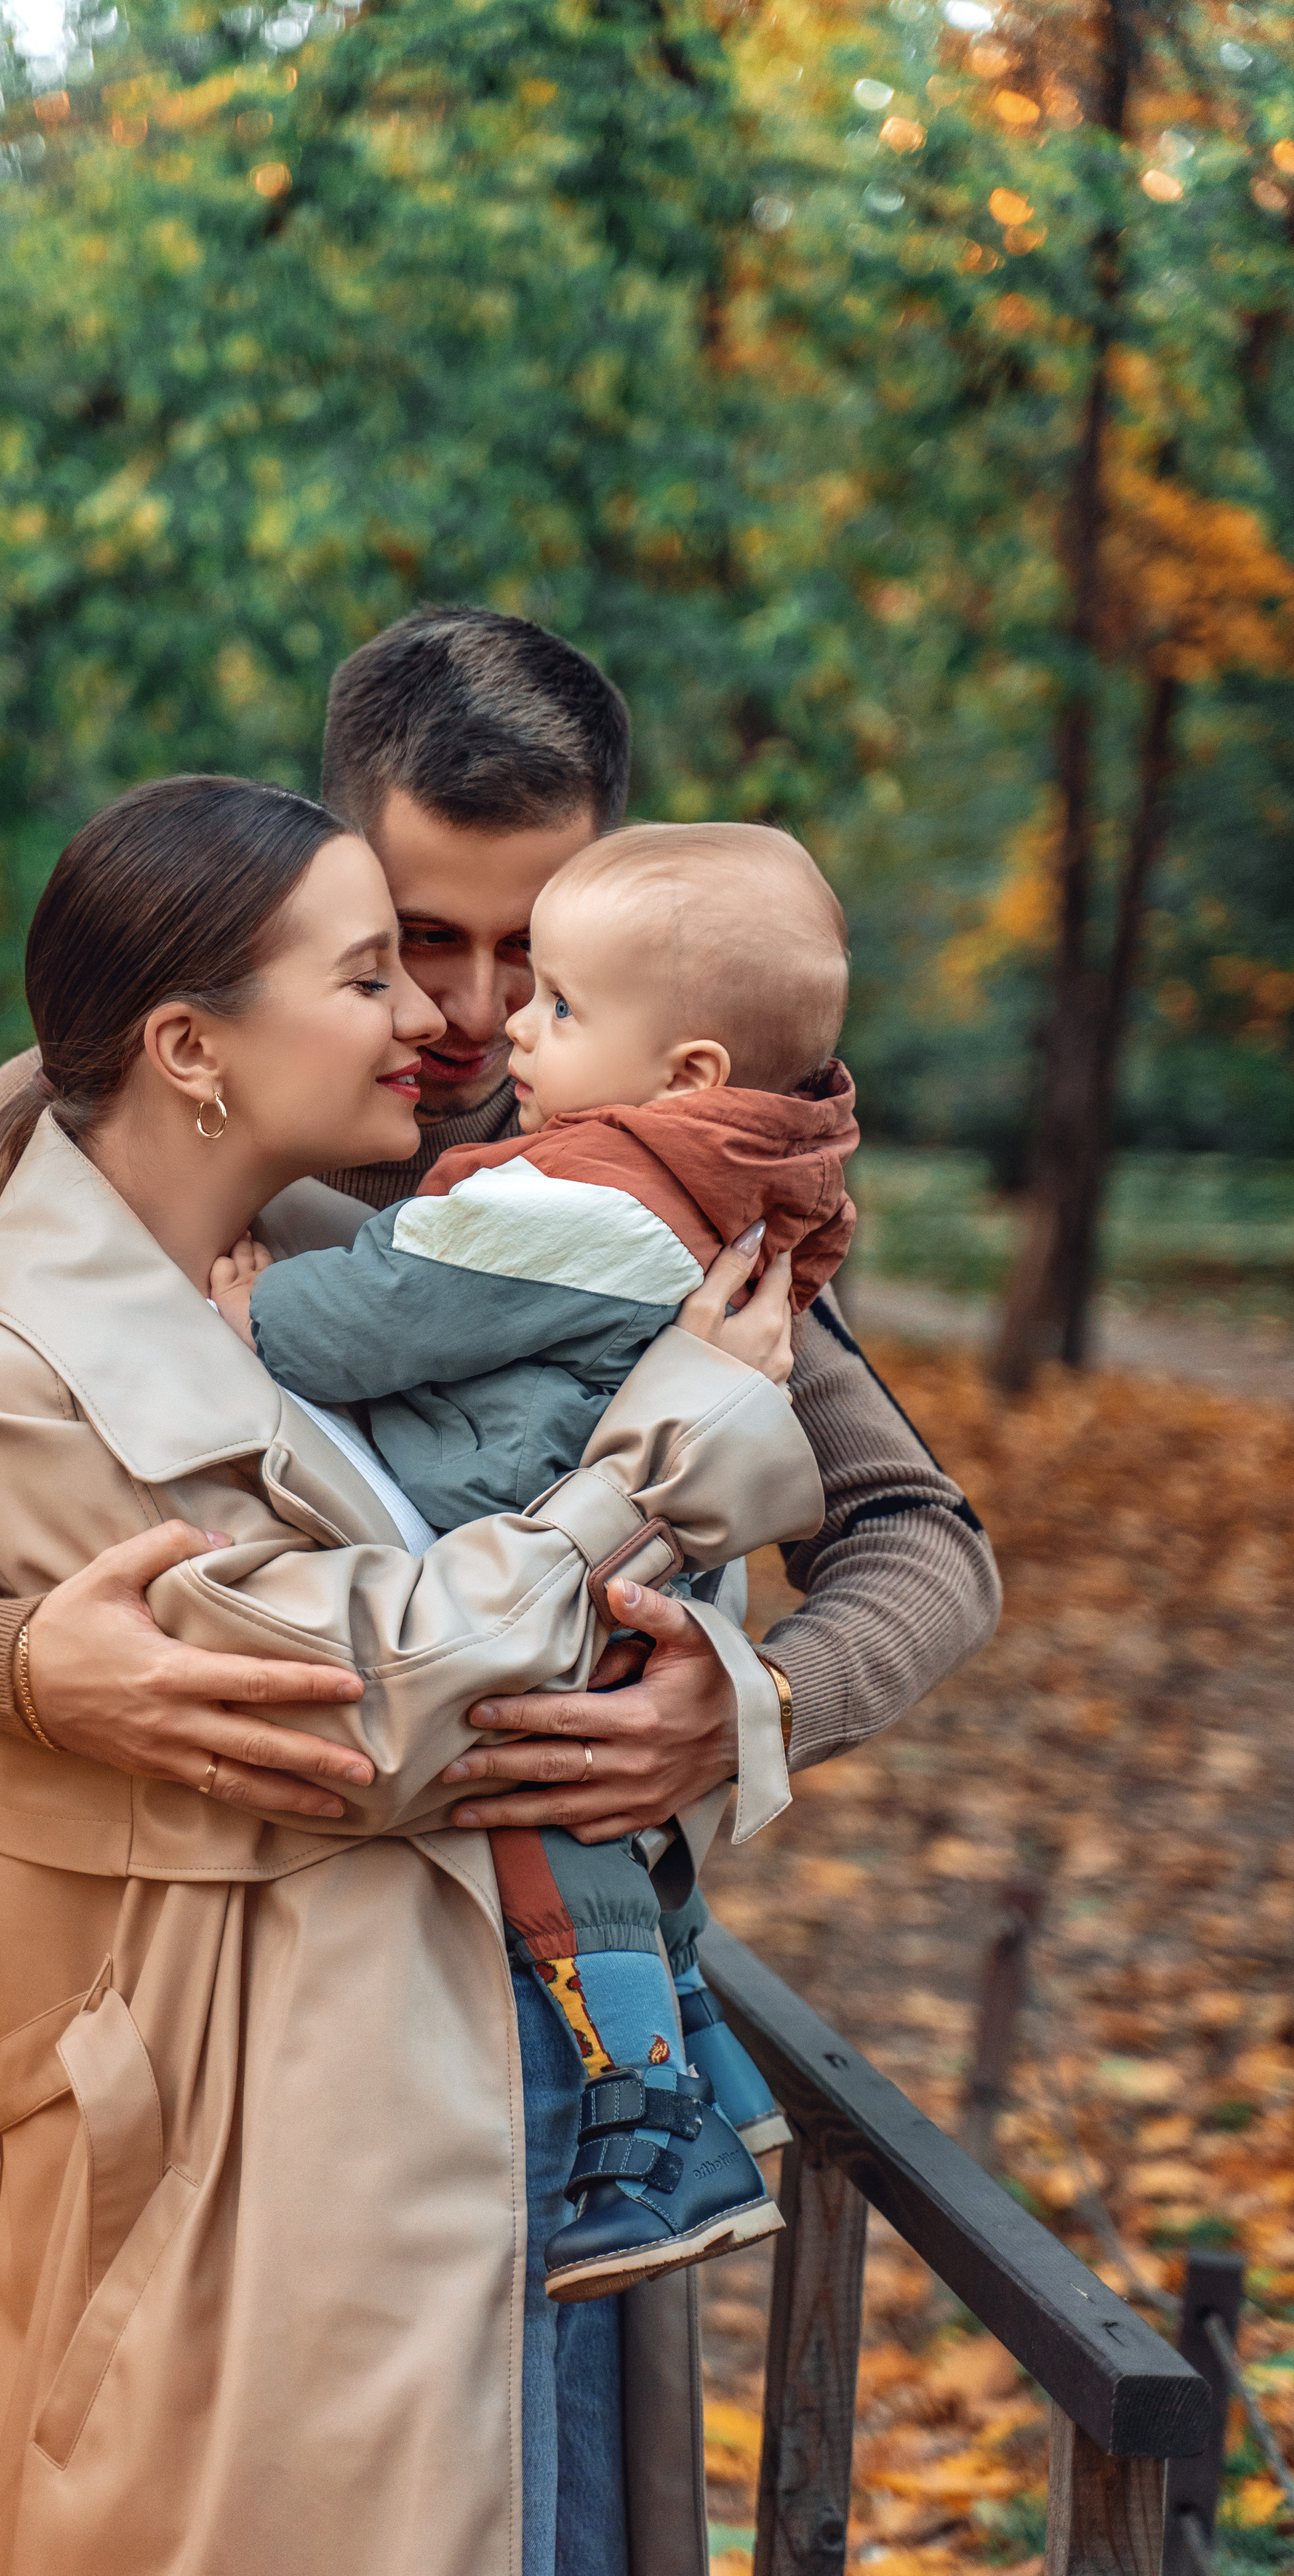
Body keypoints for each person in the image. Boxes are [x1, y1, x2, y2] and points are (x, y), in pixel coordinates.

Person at [0, 608, 1000, 2576]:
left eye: (530, 949)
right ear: (342, 863)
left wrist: (737, 1704)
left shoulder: (642, 1153)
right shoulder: (87, 1123)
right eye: (420, 938)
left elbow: (920, 1537)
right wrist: (29, 1660)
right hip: (227, 2030)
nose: (470, 1014)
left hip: (545, 2000)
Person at [0, 774, 823, 2576]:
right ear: (190, 1045)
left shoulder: (497, 1219)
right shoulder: (34, 1364)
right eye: (371, 970)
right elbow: (368, 1704)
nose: (437, 1017)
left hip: (485, 2095)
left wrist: (721, 1687)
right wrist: (663, 1463)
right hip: (261, 2153)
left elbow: (856, 1525)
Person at [214, 821, 859, 2301]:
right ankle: (710, 2079)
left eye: (552, 994)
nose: (499, 1015)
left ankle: (646, 2142)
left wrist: (254, 1313)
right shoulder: (722, 1176)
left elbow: (378, 1315)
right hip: (623, 1572)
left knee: (548, 1842)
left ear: (686, 1071)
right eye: (417, 946)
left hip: (540, 1572)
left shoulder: (587, 1199)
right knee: (622, 1865)